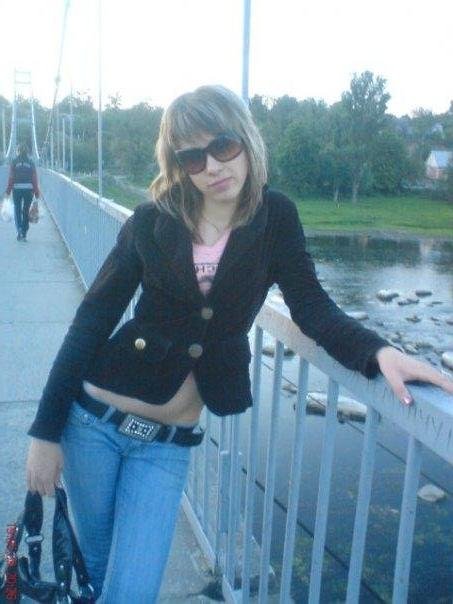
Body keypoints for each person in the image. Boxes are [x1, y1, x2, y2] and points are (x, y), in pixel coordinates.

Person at [26, 85, 453, 603]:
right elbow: (91, 322)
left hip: (167, 447)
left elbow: (311, 306)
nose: (212, 166)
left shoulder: (275, 217)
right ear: (179, 165)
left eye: (223, 145)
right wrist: (45, 432)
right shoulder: (152, 221)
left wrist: (379, 352)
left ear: (246, 140)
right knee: (96, 572)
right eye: (193, 157)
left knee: (131, 591)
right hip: (93, 424)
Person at [4, 143, 41, 241]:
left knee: (17, 209)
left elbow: (11, 178)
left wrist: (8, 191)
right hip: (29, 189)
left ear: (18, 151)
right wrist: (36, 192)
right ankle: (24, 233)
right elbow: (34, 179)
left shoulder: (14, 162)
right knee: (26, 210)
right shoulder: (31, 162)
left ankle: (19, 229)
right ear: (27, 152)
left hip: (17, 189)